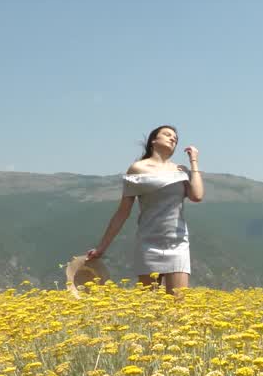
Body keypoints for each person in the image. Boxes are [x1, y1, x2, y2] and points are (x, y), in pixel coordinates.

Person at [87, 125, 204, 293]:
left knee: (180, 305)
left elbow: (197, 196)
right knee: (148, 305)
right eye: (167, 134)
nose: (173, 139)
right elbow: (123, 212)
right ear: (153, 141)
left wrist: (193, 162)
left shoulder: (181, 171)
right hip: (148, 243)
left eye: (176, 139)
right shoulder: (138, 169)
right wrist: (101, 248)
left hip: (178, 243)